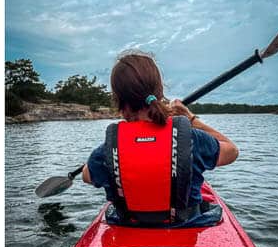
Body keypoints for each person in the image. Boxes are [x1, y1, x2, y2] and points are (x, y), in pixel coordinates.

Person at [81, 52, 238, 227]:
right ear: (159, 92)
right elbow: (232, 151)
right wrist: (191, 118)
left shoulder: (107, 150)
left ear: (119, 101)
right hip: (186, 226)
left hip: (130, 226)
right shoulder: (192, 139)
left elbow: (87, 176)